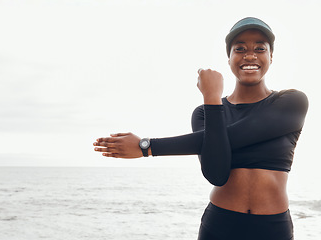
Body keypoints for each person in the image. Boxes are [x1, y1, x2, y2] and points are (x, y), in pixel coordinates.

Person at [93, 17, 308, 240]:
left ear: (271, 56)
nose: (250, 55)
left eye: (260, 48)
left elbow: (236, 136)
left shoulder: (291, 102)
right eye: (240, 48)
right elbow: (216, 174)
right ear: (230, 58)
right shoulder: (205, 112)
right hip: (220, 225)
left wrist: (146, 147)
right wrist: (212, 98)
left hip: (273, 228)